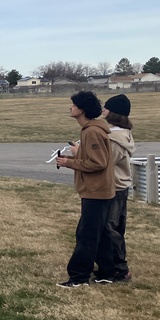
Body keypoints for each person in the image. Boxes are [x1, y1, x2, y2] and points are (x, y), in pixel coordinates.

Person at [56, 91, 115, 288]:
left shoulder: (92, 131)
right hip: (98, 190)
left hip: (96, 191)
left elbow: (98, 163)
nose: (70, 108)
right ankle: (108, 272)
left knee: (87, 235)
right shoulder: (91, 130)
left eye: (73, 105)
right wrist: (70, 160)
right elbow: (92, 160)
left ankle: (79, 277)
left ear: (81, 109)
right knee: (100, 234)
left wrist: (68, 164)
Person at [101, 94, 135, 283]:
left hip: (115, 187)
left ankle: (120, 270)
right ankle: (109, 266)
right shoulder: (122, 134)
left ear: (113, 113)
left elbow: (106, 162)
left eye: (106, 108)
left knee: (110, 228)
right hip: (121, 186)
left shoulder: (115, 138)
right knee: (114, 227)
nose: (103, 110)